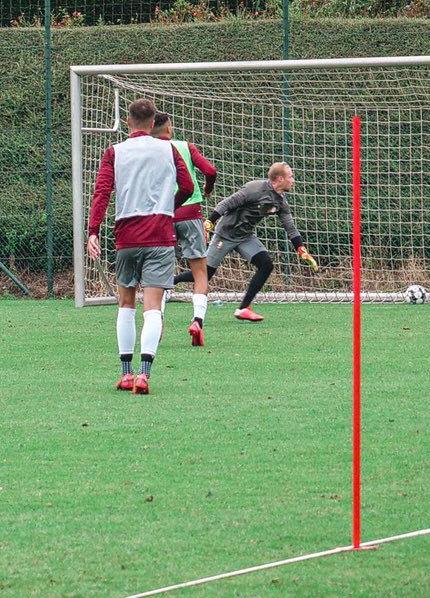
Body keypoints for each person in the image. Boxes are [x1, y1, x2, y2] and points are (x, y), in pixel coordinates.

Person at [86, 97, 193, 394]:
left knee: (126, 304)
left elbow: (102, 193)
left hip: (126, 237)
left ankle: (125, 373)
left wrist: (93, 230)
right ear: (153, 122)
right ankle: (145, 374)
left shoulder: (114, 152)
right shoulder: (168, 149)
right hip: (159, 235)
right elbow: (187, 187)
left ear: (129, 122)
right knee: (153, 307)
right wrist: (168, 207)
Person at [206, 161, 318, 323]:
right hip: (225, 234)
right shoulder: (254, 189)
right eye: (291, 177)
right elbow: (226, 203)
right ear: (280, 179)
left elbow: (291, 228)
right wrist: (210, 222)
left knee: (266, 264)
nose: (294, 180)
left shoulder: (280, 202)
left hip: (245, 237)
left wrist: (301, 250)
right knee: (205, 275)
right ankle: (170, 283)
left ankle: (243, 308)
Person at [153, 113, 218, 346]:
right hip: (190, 212)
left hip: (161, 215)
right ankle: (197, 321)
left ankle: (156, 320)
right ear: (169, 128)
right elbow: (210, 170)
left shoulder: (146, 150)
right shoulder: (185, 146)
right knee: (200, 271)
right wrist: (208, 188)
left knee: (159, 274)